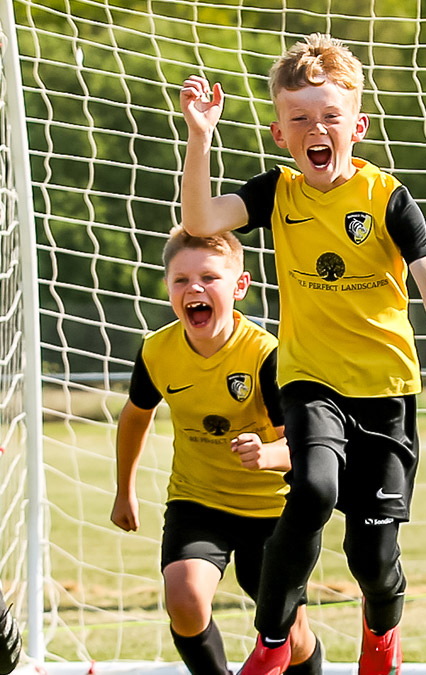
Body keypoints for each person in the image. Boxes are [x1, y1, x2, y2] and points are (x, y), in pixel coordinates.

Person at [178, 33, 426, 675]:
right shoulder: (276, 192)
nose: (316, 129)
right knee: (312, 489)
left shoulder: (387, 199)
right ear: (281, 134)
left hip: (388, 394)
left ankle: (381, 636)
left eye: (329, 118)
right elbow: (201, 219)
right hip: (312, 384)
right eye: (300, 119)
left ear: (357, 127)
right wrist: (200, 133)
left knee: (372, 558)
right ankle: (273, 639)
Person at [110, 226, 320, 675]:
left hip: (271, 510)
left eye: (209, 278)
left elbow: (301, 445)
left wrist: (268, 454)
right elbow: (134, 416)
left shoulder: (267, 355)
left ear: (240, 286)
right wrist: (124, 490)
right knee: (183, 597)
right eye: (181, 280)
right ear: (168, 288)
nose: (194, 289)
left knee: (293, 637)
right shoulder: (156, 351)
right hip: (198, 501)